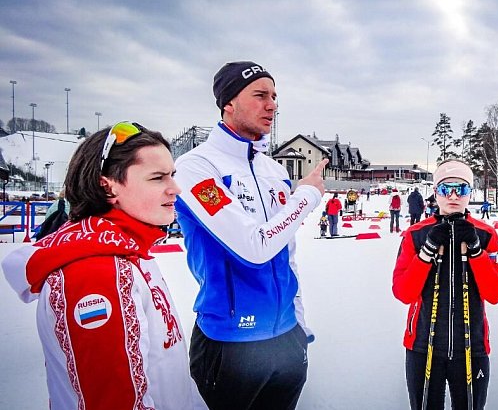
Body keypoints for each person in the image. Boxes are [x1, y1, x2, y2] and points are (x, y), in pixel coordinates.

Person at [2, 122, 204, 409]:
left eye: (172, 175)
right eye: (158, 178)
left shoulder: (126, 249)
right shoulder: (96, 272)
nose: (175, 188)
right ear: (107, 186)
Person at [174, 61, 327, 410]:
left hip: (286, 337)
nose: (272, 104)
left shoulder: (273, 170)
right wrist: (306, 195)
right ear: (228, 102)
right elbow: (253, 248)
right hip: (230, 342)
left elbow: (285, 254)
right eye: (260, 95)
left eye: (274, 96)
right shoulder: (196, 167)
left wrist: (298, 325)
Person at [392, 159, 498, 410]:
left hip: (471, 346)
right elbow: (403, 292)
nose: (454, 195)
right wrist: (427, 252)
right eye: (446, 189)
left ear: (470, 193)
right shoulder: (416, 234)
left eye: (462, 189)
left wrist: (477, 252)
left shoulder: (486, 234)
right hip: (424, 346)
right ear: (436, 193)